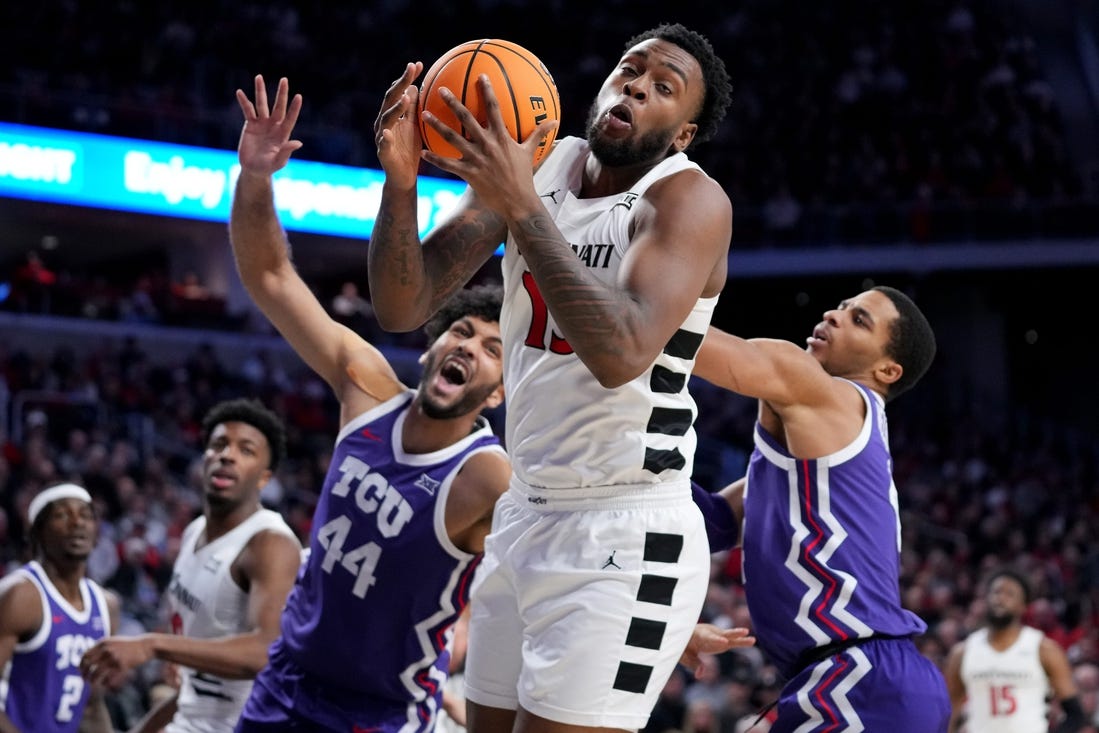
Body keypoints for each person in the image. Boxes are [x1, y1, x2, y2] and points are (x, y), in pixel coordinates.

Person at [369, 22, 733, 733]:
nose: (635, 86)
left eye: (663, 88)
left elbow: (620, 351)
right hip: (526, 509)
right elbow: (401, 303)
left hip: (626, 528)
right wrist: (401, 182)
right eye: (629, 70)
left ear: (681, 133)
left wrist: (523, 207)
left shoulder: (687, 201)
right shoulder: (540, 164)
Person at [227, 75, 510, 732]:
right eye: (461, 331)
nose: (467, 346)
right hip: (287, 683)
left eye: (492, 348)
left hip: (378, 713)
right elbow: (270, 276)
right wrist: (256, 176)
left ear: (497, 393)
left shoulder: (486, 474)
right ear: (432, 346)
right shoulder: (366, 387)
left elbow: (558, 558)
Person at [688, 286, 949, 732]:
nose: (833, 315)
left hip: (862, 680)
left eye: (859, 320)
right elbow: (710, 522)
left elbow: (664, 335)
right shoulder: (813, 469)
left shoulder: (837, 398)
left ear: (887, 369)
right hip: (848, 678)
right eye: (842, 306)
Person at [79, 398, 302, 733]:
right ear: (204, 459)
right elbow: (195, 686)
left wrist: (154, 645)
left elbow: (266, 651)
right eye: (219, 444)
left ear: (263, 479)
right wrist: (179, 655)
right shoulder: (193, 532)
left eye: (246, 450)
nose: (227, 455)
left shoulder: (270, 543)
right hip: (191, 715)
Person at [0, 483, 120, 732]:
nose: (77, 522)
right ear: (37, 533)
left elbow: (91, 706)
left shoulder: (106, 606)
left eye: (86, 515)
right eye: (62, 515)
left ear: (97, 534)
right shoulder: (19, 594)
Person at [943, 569, 1086, 733]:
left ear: (1023, 606)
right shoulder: (962, 652)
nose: (1000, 598)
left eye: (1009, 594)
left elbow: (1075, 714)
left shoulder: (1043, 649)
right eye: (996, 592)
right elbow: (950, 712)